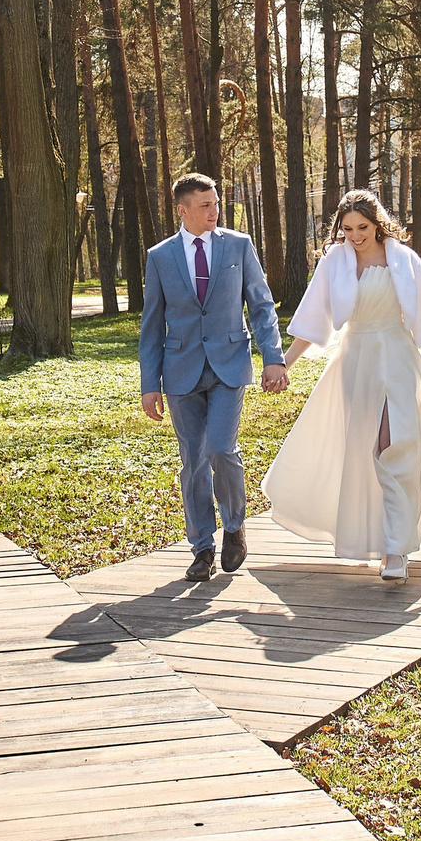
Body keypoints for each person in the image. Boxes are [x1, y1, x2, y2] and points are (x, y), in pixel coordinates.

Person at [266, 189, 421, 583]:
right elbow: (313, 319)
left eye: (362, 227)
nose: (355, 236)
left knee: (393, 445)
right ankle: (379, 539)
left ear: (378, 224)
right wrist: (282, 365)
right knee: (367, 453)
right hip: (356, 363)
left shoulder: (403, 259)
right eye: (347, 229)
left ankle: (397, 550)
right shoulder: (334, 262)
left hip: (397, 358)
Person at [139, 173, 287, 582]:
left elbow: (261, 306)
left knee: (221, 450)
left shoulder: (238, 246)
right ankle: (201, 547)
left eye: (216, 203)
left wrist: (273, 357)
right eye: (205, 205)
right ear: (182, 210)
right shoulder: (161, 256)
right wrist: (149, 383)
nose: (214, 211)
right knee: (193, 463)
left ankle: (235, 527)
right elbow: (151, 324)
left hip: (228, 366)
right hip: (180, 371)